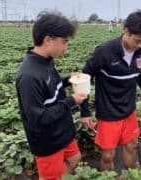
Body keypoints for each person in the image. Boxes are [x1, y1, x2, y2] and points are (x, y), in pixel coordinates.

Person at [79, 9, 141, 172]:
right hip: (108, 112)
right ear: (126, 30)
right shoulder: (104, 51)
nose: (139, 45)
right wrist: (84, 112)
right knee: (108, 155)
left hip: (129, 109)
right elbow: (84, 78)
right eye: (137, 40)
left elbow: (139, 75)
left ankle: (130, 176)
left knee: (132, 145)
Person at [15, 12, 86, 180]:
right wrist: (71, 101)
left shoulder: (46, 61)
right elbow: (38, 119)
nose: (65, 47)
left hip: (62, 130)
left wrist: (69, 80)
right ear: (48, 40)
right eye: (64, 42)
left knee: (75, 158)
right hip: (47, 140)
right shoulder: (29, 76)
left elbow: (52, 87)